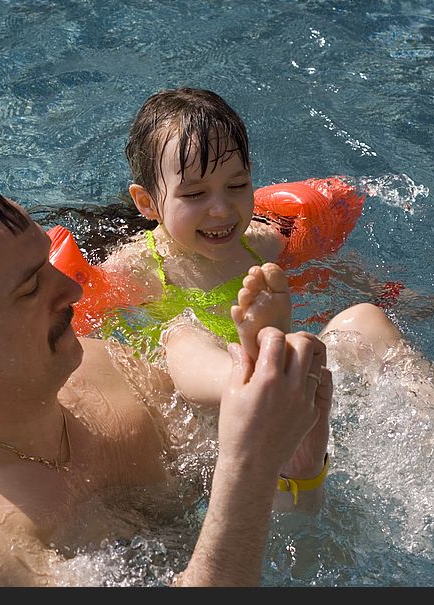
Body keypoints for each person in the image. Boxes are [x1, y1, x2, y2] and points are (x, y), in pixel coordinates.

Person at [0, 186, 331, 586]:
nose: (72, 290)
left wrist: (295, 452)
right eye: (29, 289)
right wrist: (248, 462)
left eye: (48, 264)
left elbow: (284, 537)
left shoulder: (106, 370)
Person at [99, 87, 406, 406]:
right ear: (147, 203)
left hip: (283, 389)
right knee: (181, 336)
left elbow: (333, 270)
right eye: (194, 195)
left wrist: (389, 293)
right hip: (206, 408)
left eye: (236, 186)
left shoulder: (264, 245)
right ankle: (258, 374)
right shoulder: (136, 268)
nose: (222, 209)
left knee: (365, 319)